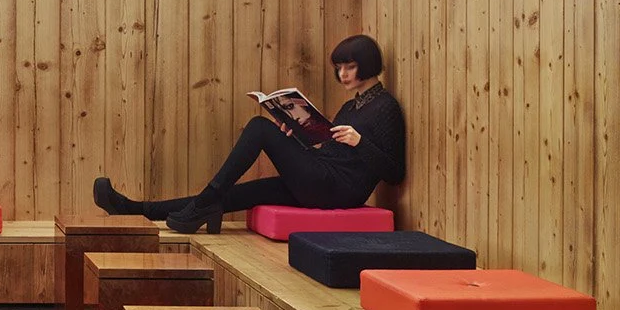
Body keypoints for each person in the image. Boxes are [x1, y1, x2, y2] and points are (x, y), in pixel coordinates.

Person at [93, 34, 405, 234]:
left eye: (349, 67)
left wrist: (360, 141)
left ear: (368, 65)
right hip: (322, 176)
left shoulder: (385, 107)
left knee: (258, 128)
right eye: (339, 68)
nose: (342, 75)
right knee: (239, 194)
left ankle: (202, 203)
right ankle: (138, 209)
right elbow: (328, 151)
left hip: (338, 190)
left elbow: (393, 172)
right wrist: (295, 135)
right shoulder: (351, 107)